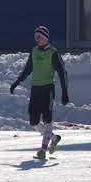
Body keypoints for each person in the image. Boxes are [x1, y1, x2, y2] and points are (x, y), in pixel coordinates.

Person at [10, 26, 70, 160]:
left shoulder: (53, 53)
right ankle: (54, 138)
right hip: (35, 89)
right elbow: (27, 69)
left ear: (46, 38)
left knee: (47, 118)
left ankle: (43, 149)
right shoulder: (34, 51)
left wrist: (65, 92)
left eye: (40, 37)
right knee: (33, 121)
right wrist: (17, 82)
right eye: (36, 37)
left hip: (47, 89)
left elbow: (62, 73)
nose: (37, 40)